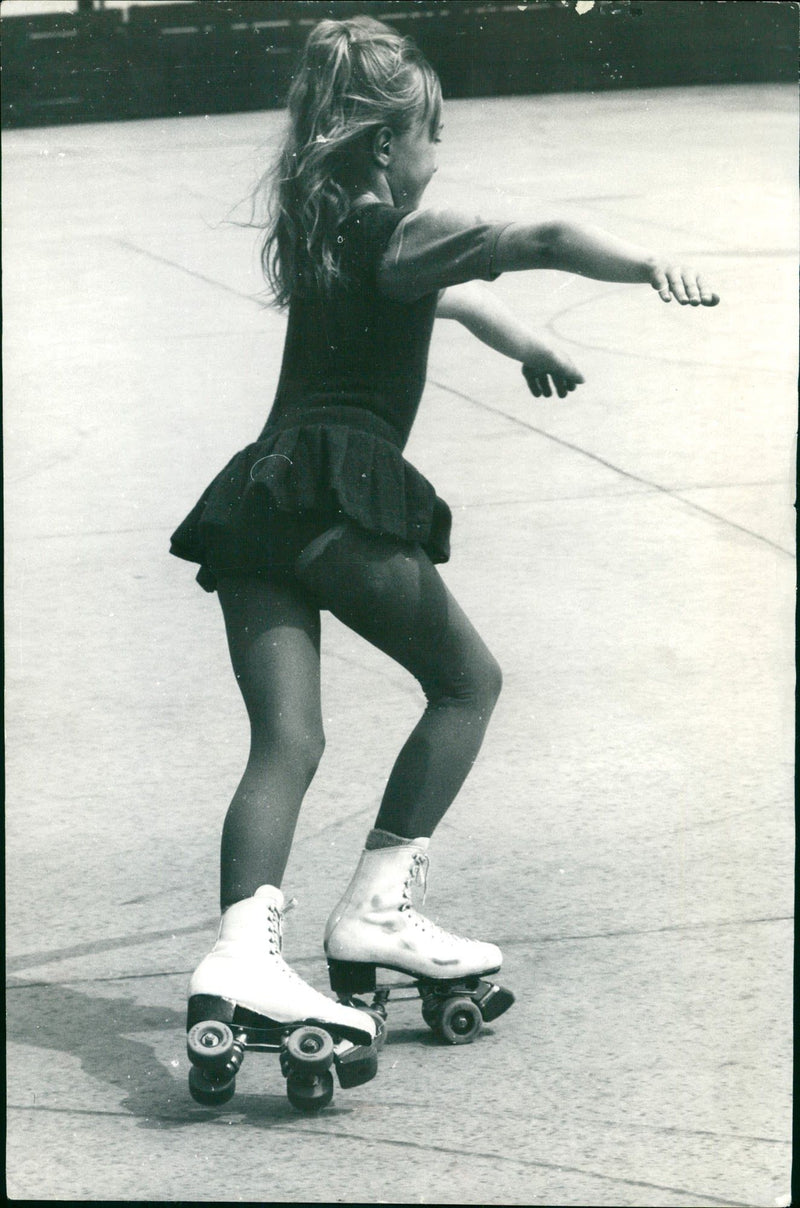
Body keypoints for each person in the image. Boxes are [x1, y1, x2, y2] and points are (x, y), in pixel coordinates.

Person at [171, 16, 719, 1065]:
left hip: (261, 504)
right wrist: (648, 260)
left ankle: (240, 952)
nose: (440, 152)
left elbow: (462, 299)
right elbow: (538, 239)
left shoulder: (329, 230)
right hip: (338, 501)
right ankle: (377, 909)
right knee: (467, 682)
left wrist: (532, 341)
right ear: (386, 142)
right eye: (432, 131)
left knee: (287, 741)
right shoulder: (406, 230)